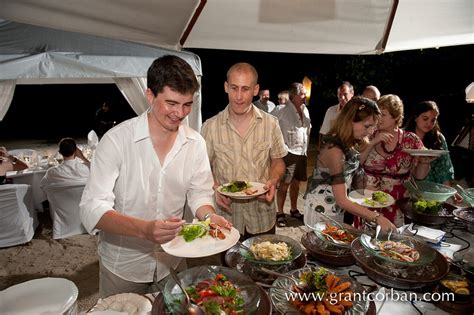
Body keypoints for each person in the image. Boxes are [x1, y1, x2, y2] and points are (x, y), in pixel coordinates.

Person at [80, 55, 231, 297]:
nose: (180, 113)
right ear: (150, 95)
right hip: (123, 267)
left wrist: (208, 215)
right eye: (171, 103)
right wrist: (144, 230)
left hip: (173, 262)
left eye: (187, 104)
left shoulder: (195, 143)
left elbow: (199, 192)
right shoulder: (117, 140)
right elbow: (91, 208)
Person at [201, 62, 287, 239]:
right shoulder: (210, 127)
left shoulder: (271, 124)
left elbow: (278, 161)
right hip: (226, 218)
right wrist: (216, 188)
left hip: (262, 214)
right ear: (226, 87)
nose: (239, 96)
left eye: (245, 89)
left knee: (266, 264)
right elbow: (202, 168)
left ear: (255, 90)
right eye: (234, 88)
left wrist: (273, 180)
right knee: (227, 266)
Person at [304, 97, 395, 232]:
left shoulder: (349, 141)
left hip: (335, 208)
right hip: (322, 210)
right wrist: (377, 218)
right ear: (349, 120)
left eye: (373, 127)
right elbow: (342, 200)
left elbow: (347, 175)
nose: (370, 132)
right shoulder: (334, 150)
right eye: (367, 126)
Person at [361, 94, 432, 226]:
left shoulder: (411, 140)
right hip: (369, 200)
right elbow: (356, 163)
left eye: (383, 114)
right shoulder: (368, 134)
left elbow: (420, 176)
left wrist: (424, 162)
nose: (378, 118)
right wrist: (372, 143)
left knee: (393, 244)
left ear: (396, 117)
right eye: (377, 113)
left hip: (398, 204)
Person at [274, 83, 311, 227]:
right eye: (302, 94)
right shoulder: (281, 110)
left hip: (302, 152)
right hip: (288, 153)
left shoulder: (305, 110)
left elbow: (307, 130)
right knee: (284, 185)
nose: (305, 96)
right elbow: (270, 125)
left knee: (296, 184)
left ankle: (294, 209)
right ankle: (280, 213)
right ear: (293, 96)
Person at [404, 101, 454, 186]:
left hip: (432, 187)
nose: (429, 123)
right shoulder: (403, 136)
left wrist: (449, 192)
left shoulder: (439, 138)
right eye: (425, 118)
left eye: (433, 120)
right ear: (416, 117)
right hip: (407, 186)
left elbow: (446, 168)